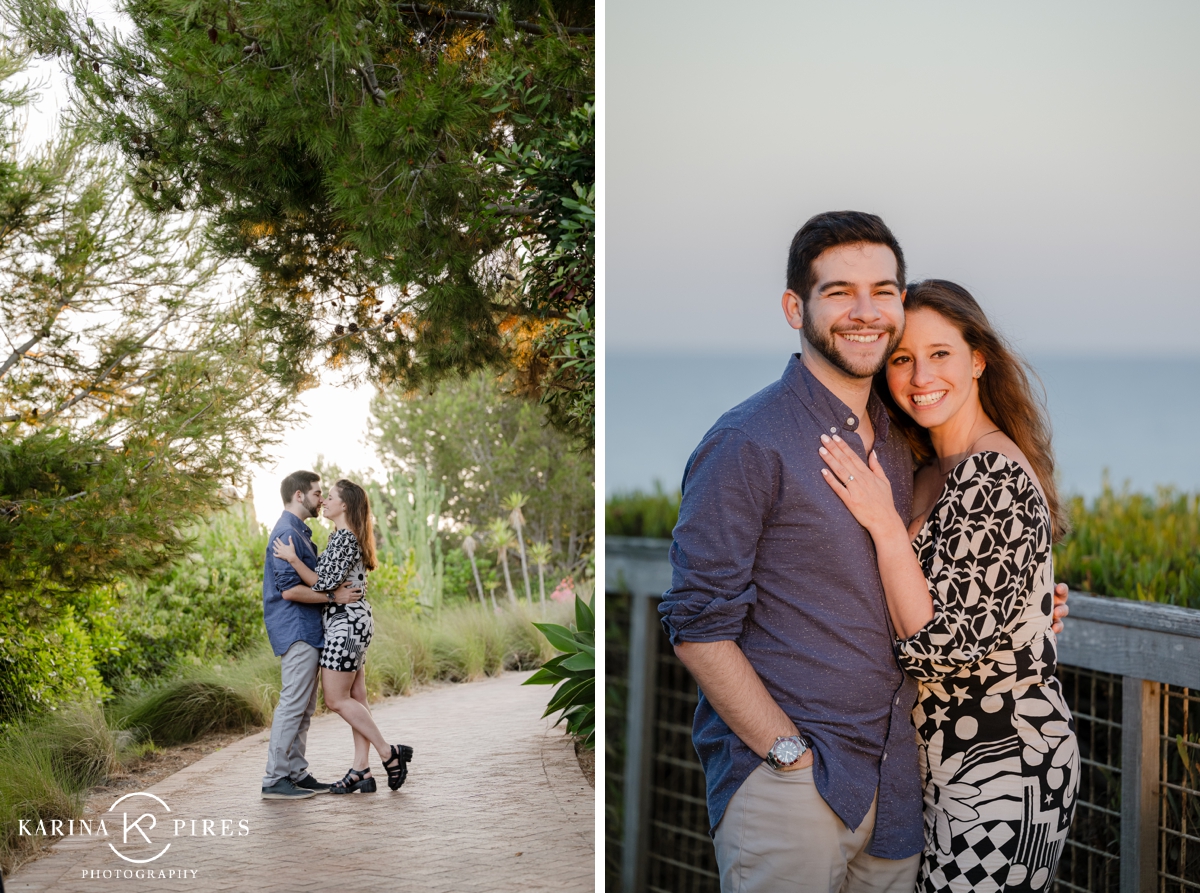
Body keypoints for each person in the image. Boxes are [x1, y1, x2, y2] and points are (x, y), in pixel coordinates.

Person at [659, 210, 1071, 893]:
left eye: (883, 290)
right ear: (796, 305)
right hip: (798, 786)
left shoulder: (899, 440)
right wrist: (786, 754)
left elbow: (972, 567)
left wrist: (1035, 608)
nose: (865, 310)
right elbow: (698, 624)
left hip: (910, 793)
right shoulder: (748, 441)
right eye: (838, 290)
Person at [817, 280, 1079, 891]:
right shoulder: (930, 471)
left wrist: (884, 523)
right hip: (940, 759)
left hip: (1005, 762)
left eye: (940, 353)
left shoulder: (994, 472)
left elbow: (942, 646)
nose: (919, 375)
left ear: (978, 360)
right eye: (902, 358)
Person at [273, 478, 414, 794]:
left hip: (346, 626)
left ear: (345, 504)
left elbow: (322, 585)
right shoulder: (342, 537)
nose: (324, 501)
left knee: (337, 699)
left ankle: (389, 753)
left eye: (331, 496)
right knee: (358, 699)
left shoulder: (345, 539)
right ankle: (361, 769)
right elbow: (334, 584)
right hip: (351, 623)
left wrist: (294, 560)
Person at [261, 470, 362, 800]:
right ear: (299, 495)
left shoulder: (300, 532)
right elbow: (290, 591)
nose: (322, 499)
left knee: (304, 706)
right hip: (296, 629)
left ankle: (296, 772)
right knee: (293, 703)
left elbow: (316, 577)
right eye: (318, 493)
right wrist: (335, 597)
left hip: (310, 629)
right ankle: (275, 778)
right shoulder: (286, 533)